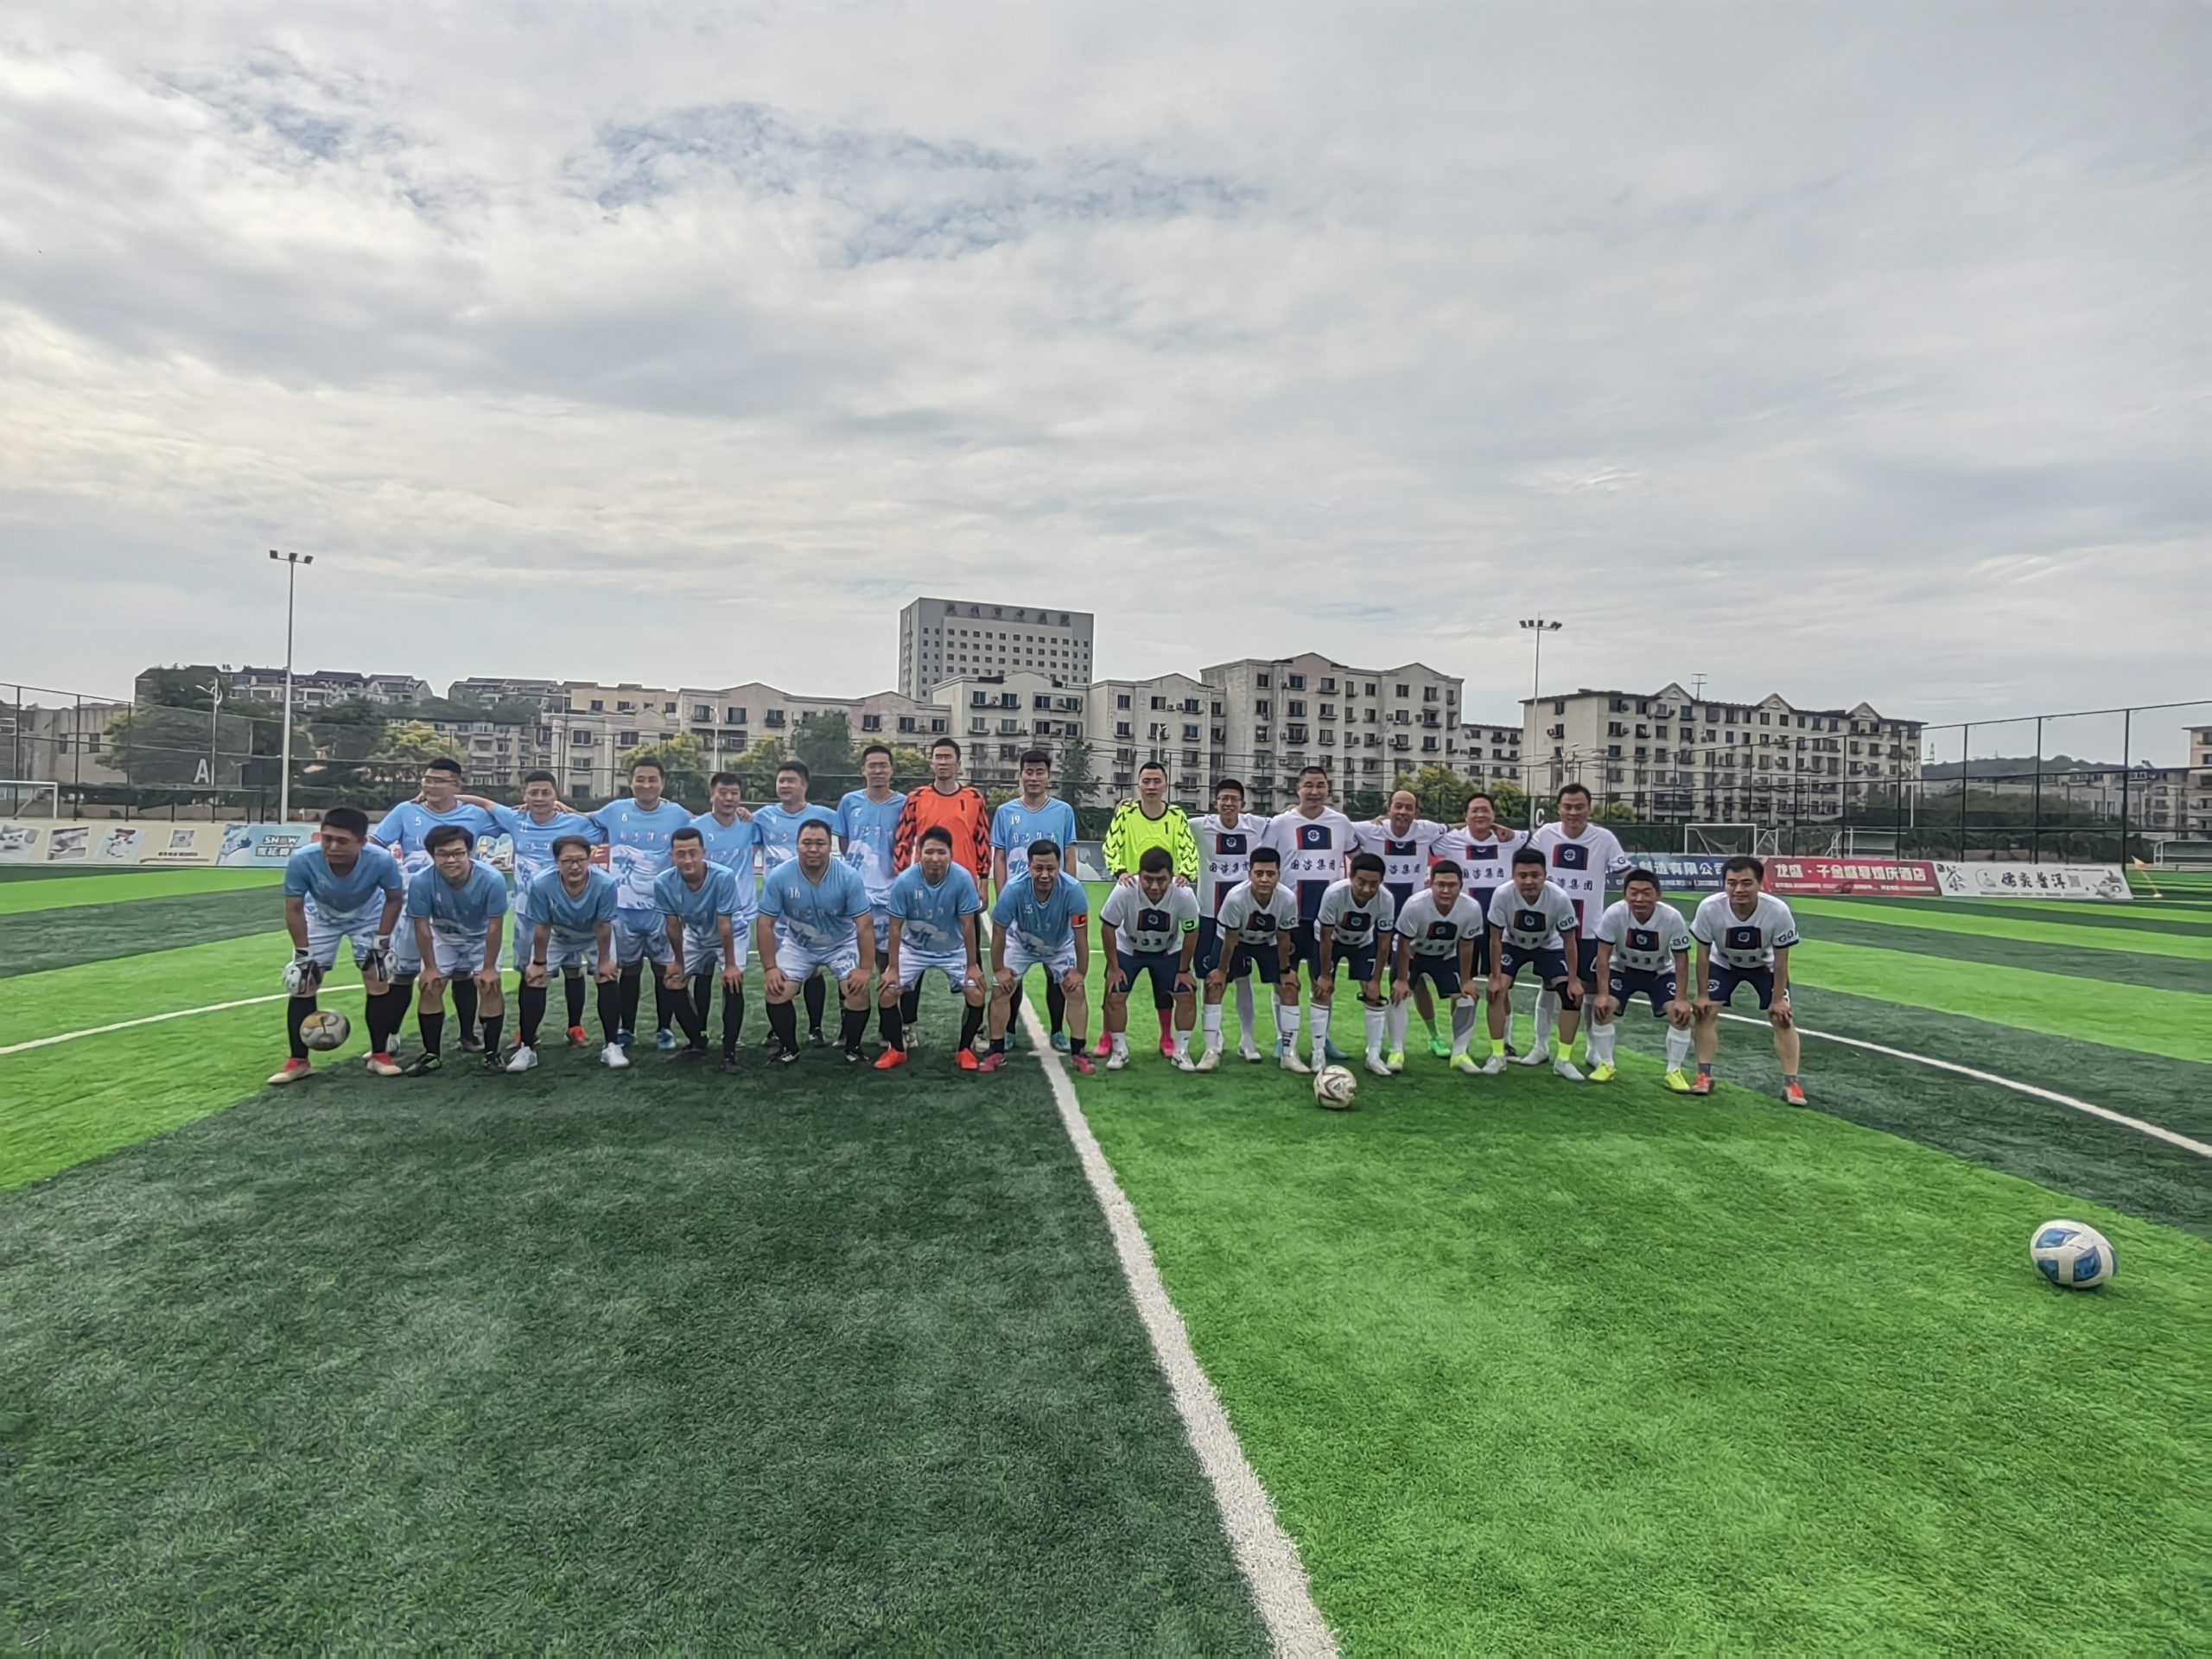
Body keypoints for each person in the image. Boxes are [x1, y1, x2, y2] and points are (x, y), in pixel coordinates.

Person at [369, 758, 499, 1053]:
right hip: (413, 907)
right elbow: (375, 846)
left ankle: (468, 1036)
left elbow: (511, 818)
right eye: (426, 779)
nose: (429, 785)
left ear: (456, 784)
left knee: (462, 973)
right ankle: (391, 1035)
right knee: (403, 972)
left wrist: (471, 799)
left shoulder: (474, 815)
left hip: (459, 908)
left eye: (438, 780)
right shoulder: (405, 811)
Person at [464, 772, 603, 1046]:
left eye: (545, 792)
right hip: (527, 914)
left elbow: (604, 826)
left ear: (555, 795)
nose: (540, 798)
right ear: (524, 796)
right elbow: (485, 803)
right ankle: (527, 1031)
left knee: (573, 969)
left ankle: (575, 1027)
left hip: (567, 914)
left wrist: (574, 810)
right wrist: (441, 794)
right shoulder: (515, 819)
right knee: (529, 971)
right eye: (534, 793)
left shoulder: (573, 823)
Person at [270, 807, 404, 1085]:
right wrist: (303, 953)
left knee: (377, 976)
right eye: (327, 839)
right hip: (320, 916)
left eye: (342, 841)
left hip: (368, 916)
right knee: (303, 980)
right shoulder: (303, 860)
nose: (332, 847)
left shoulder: (381, 860)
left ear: (362, 842)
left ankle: (380, 1055)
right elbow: (293, 908)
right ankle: (299, 1061)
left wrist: (381, 942)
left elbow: (394, 898)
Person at [590, 757, 696, 1052]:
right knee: (629, 969)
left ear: (663, 783)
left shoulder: (678, 814)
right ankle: (627, 1029)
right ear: (631, 782)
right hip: (622, 909)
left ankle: (665, 1028)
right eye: (640, 779)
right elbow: (583, 819)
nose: (646, 784)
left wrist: (740, 812)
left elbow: (708, 824)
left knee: (665, 970)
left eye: (652, 779)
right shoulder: (614, 810)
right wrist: (556, 807)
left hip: (662, 910)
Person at [756, 819, 877, 1065]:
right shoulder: (780, 876)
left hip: (841, 944)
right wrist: (770, 968)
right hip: (799, 944)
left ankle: (853, 1048)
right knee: (776, 990)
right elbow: (765, 923)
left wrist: (865, 969)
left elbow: (864, 924)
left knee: (857, 991)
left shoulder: (847, 876)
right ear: (797, 845)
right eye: (807, 843)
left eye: (820, 843)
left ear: (830, 846)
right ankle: (789, 1048)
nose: (813, 849)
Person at [990, 747, 1085, 1052]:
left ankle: (1058, 1031)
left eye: (1039, 772)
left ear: (1048, 776)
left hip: (1053, 901)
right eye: (1028, 772)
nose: (1034, 778)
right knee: (1012, 971)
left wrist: (1067, 893)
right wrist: (1003, 897)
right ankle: (1007, 1031)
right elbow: (1000, 857)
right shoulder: (1006, 812)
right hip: (1018, 903)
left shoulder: (1063, 811)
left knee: (1055, 971)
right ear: (1020, 775)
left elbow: (1069, 854)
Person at [1525, 784, 1627, 1068]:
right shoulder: (1545, 834)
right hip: (1552, 931)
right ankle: (1540, 1046)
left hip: (1590, 930)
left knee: (1591, 988)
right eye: (1568, 807)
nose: (1573, 812)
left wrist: (1643, 889)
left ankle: (1593, 1049)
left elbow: (1625, 872)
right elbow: (1526, 865)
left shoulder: (1604, 838)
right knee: (1550, 985)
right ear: (1559, 809)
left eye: (1579, 807)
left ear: (1589, 809)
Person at [1690, 856, 1807, 1105]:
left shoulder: (1777, 911)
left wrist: (1778, 1000)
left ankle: (1792, 1084)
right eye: (1732, 883)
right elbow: (1702, 954)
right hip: (1723, 963)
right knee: (1705, 1012)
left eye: (1746, 883)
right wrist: (1702, 995)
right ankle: (1703, 1075)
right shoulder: (1709, 908)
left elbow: (1782, 959)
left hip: (1764, 966)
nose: (1738, 890)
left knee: (1782, 1018)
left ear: (1760, 884)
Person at [1265, 766, 1357, 1066]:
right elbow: (1264, 861)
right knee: (1284, 980)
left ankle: (1323, 1038)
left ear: (1328, 789)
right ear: (1298, 789)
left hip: (1326, 921)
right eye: (1308, 785)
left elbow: (1358, 856)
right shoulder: (1281, 823)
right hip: (1289, 918)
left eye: (1320, 786)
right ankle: (1282, 1039)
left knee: (1323, 980)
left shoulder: (1341, 822)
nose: (1314, 792)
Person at [1425, 792, 1527, 1062]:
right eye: (1474, 811)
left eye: (1485, 811)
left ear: (1494, 815)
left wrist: (1498, 828)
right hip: (1463, 929)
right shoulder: (1451, 840)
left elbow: (1533, 837)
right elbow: (1427, 837)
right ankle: (1461, 1046)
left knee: (1501, 988)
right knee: (1462, 988)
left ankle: (1506, 1043)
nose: (1480, 815)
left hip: (1499, 930)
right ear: (1466, 815)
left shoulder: (1510, 840)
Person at [878, 825, 988, 1071]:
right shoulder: (905, 881)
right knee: (887, 991)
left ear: (951, 854)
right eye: (929, 852)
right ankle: (896, 1049)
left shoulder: (962, 879)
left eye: (941, 852)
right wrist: (892, 968)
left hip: (953, 949)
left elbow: (968, 925)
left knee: (976, 992)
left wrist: (973, 965)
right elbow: (895, 928)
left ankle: (964, 1050)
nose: (935, 858)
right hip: (914, 949)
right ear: (919, 853)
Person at [513, 835, 626, 1071]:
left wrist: (605, 961)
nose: (574, 866)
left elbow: (604, 925)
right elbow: (542, 926)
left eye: (580, 860)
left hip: (593, 933)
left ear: (589, 859)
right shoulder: (541, 884)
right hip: (558, 933)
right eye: (567, 861)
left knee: (607, 975)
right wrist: (539, 963)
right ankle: (526, 1048)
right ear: (557, 862)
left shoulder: (605, 883)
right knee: (534, 978)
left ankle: (612, 1045)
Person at [403, 823, 509, 1074]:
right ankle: (431, 1055)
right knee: (430, 986)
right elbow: (422, 927)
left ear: (469, 853)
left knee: (490, 985)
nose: (451, 860)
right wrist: (430, 968)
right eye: (443, 854)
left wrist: (489, 968)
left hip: (480, 937)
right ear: (433, 855)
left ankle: (491, 1054)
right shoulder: (421, 881)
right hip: (444, 937)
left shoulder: (492, 879)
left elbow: (495, 927)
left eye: (458, 853)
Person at [981, 839, 1093, 1074]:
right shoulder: (1014, 889)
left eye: (1051, 868)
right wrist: (999, 969)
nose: (1044, 875)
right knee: (1001, 989)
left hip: (1060, 946)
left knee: (1076, 990)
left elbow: (1081, 935)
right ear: (1029, 867)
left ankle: (1079, 1052)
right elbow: (999, 932)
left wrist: (1079, 972)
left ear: (1059, 867)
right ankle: (996, 1051)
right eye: (1038, 868)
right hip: (1021, 943)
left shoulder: (1073, 890)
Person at [754, 760, 843, 1047]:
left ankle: (816, 1028)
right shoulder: (762, 816)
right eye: (781, 780)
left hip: (812, 905)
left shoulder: (825, 815)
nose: (785, 785)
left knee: (814, 968)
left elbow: (852, 831)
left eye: (791, 780)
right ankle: (778, 1029)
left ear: (804, 785)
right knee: (779, 968)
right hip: (777, 906)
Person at [1355, 789, 1447, 1060]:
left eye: (1409, 808)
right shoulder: (1370, 830)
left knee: (1413, 980)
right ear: (1389, 809)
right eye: (1398, 806)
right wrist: (1292, 810)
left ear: (1417, 813)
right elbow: (1336, 826)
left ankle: (1434, 1036)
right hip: (1375, 917)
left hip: (1412, 920)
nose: (1403, 812)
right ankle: (1376, 1041)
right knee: (1368, 977)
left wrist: (1493, 827)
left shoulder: (1426, 830)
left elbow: (1455, 827)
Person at [1482, 847, 1586, 1081]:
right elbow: (1495, 939)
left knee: (1570, 996)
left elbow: (1570, 941)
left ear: (1545, 875)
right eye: (1522, 875)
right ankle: (1498, 1055)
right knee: (1497, 993)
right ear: (1513, 876)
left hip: (1548, 945)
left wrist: (1574, 980)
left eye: (1535, 875)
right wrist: (1495, 977)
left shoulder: (1559, 897)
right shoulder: (1502, 894)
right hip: (1512, 944)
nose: (1529, 881)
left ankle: (1563, 1060)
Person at [1589, 868, 1696, 1089]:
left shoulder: (1672, 917)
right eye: (1633, 892)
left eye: (1646, 893)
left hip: (1659, 973)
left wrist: (1681, 999)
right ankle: (1606, 1064)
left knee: (1680, 1015)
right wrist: (1603, 994)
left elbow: (1681, 960)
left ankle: (1674, 1071)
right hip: (1622, 970)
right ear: (1625, 894)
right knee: (1603, 1008)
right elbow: (1603, 956)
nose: (1639, 899)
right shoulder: (1614, 913)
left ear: (1658, 894)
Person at [1098, 847, 1201, 1071]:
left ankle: (1181, 1051)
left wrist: (1184, 970)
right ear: (1139, 875)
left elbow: (1192, 931)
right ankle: (1119, 1049)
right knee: (1115, 992)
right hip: (1129, 949)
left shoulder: (1183, 893)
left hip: (1168, 950)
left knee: (1186, 993)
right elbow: (1108, 927)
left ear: (1172, 877)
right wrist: (1114, 968)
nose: (1154, 887)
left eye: (1161, 880)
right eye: (1148, 879)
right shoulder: (1125, 889)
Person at [1190, 778, 1270, 1059]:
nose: (1228, 803)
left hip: (1243, 919)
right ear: (1215, 802)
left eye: (1234, 799)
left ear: (1242, 804)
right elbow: (1166, 821)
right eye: (1223, 798)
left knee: (1243, 978)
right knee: (1208, 978)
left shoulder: (1256, 826)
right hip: (1209, 916)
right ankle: (1215, 1037)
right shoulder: (1199, 826)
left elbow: (1286, 821)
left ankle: (1248, 1039)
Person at [653, 827, 743, 1069]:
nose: (688, 860)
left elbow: (725, 924)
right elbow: (673, 926)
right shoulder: (663, 882)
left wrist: (731, 965)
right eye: (681, 854)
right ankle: (697, 1041)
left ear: (704, 852)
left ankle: (729, 1052)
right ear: (672, 856)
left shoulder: (723, 876)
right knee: (673, 980)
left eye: (693, 853)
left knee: (733, 981)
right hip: (695, 934)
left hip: (730, 933)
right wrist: (679, 962)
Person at [1202, 845, 1296, 1071]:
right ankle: (1211, 1050)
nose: (1264, 879)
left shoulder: (1287, 898)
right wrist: (1222, 971)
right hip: (1235, 941)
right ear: (1249, 874)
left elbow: (1284, 937)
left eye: (1270, 874)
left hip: (1267, 941)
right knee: (1214, 986)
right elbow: (1230, 940)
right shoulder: (1236, 898)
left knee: (1289, 988)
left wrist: (1285, 971)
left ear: (1279, 875)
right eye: (1259, 873)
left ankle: (1288, 1053)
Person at [689, 771, 762, 1057]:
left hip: (738, 915)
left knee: (733, 978)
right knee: (702, 973)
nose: (729, 798)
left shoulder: (750, 825)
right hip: (702, 914)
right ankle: (700, 1034)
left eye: (734, 793)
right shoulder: (696, 827)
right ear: (712, 795)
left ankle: (730, 1044)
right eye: (723, 792)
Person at [1389, 861, 1485, 1075]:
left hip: (1445, 954)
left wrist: (1466, 979)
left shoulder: (1471, 908)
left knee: (1466, 996)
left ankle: (1460, 1054)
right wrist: (1403, 980)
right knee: (1400, 994)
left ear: (1461, 886)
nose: (1445, 890)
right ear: (1430, 884)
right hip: (1412, 954)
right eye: (1440, 884)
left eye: (1451, 885)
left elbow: (1467, 944)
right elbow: (1404, 943)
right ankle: (1396, 1051)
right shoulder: (1415, 905)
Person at [1315, 852, 1396, 1077]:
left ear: (1381, 881)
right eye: (1361, 882)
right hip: (1331, 941)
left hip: (1362, 942)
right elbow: (1325, 936)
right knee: (1322, 991)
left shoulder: (1386, 899)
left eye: (1374, 884)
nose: (1367, 889)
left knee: (1374, 996)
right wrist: (1325, 974)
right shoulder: (1334, 894)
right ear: (1351, 877)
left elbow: (1384, 942)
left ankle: (1374, 1056)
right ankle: (1318, 1053)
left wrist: (1376, 980)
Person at [893, 737, 992, 893]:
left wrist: (984, 878)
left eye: (948, 757)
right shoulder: (916, 798)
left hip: (964, 882)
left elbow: (982, 841)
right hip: (925, 882)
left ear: (958, 764)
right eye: (938, 757)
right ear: (932, 763)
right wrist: (902, 878)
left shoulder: (974, 798)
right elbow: (903, 842)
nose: (943, 762)